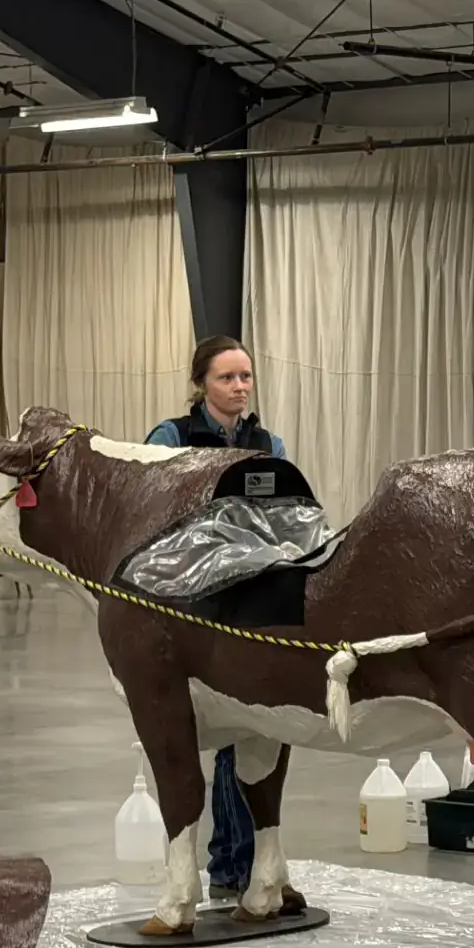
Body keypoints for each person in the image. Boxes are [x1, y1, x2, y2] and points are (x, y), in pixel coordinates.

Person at [146, 334, 287, 899]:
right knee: (208, 732)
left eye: (245, 377)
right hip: (188, 601)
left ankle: (237, 863)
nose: (239, 387)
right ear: (201, 383)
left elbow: (284, 510)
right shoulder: (171, 437)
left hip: (249, 598)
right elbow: (152, 511)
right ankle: (226, 862)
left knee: (252, 728)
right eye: (227, 378)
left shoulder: (266, 441)